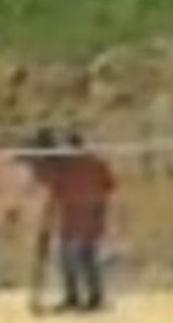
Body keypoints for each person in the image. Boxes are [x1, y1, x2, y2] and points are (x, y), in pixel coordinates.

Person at [43, 129, 118, 311]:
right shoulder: (94, 162)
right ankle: (91, 297)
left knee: (72, 259)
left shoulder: (67, 166)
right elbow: (110, 185)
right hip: (86, 218)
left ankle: (76, 297)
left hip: (78, 219)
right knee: (87, 259)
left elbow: (56, 190)